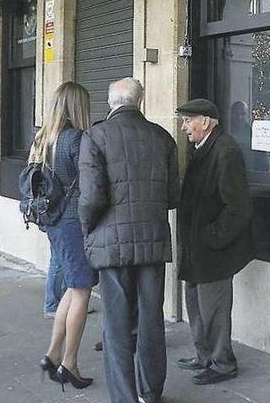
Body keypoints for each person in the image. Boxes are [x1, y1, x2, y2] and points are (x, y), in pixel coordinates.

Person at [79, 78, 180, 403]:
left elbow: (92, 196)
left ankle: (124, 397)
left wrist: (88, 229)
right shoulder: (163, 138)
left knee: (117, 325)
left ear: (111, 104)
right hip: (152, 241)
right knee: (152, 321)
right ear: (141, 101)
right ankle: (151, 394)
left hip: (111, 243)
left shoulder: (95, 136)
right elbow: (173, 196)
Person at [175, 98, 255, 386]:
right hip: (197, 247)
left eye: (188, 121)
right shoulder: (203, 147)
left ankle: (222, 363)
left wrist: (212, 237)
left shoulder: (226, 150)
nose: (184, 127)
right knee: (196, 303)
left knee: (215, 309)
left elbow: (237, 208)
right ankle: (203, 355)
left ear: (205, 122)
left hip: (212, 249)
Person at [32, 82, 95, 390]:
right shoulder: (77, 140)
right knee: (81, 290)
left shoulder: (43, 138)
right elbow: (90, 185)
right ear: (77, 106)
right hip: (72, 224)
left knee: (72, 288)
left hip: (52, 221)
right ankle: (69, 362)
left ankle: (52, 354)